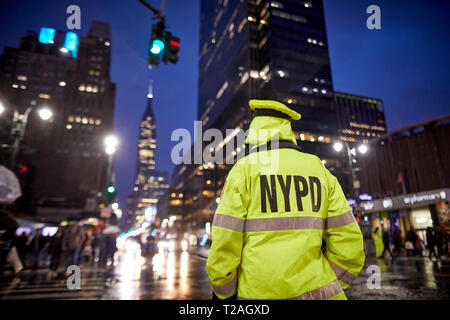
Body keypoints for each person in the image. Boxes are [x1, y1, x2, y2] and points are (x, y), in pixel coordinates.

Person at [206, 100, 365, 300]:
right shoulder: (317, 168)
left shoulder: (244, 170)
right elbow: (350, 245)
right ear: (287, 129)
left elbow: (225, 241)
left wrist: (224, 291)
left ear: (254, 132)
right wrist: (328, 282)